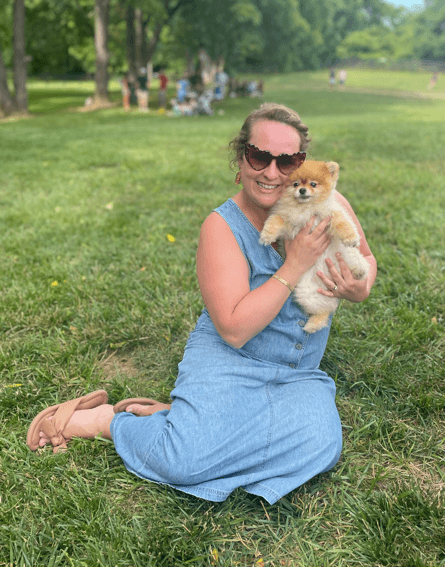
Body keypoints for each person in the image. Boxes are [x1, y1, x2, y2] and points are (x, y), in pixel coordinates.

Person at [27, 103, 377, 505]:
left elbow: (367, 261)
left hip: (294, 372)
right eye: (260, 157)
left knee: (322, 446)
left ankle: (188, 422)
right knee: (183, 461)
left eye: (289, 160)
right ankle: (107, 421)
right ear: (241, 158)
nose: (272, 173)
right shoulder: (222, 226)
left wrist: (359, 289)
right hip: (232, 359)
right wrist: (294, 265)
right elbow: (234, 329)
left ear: (304, 164)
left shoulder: (328, 203)